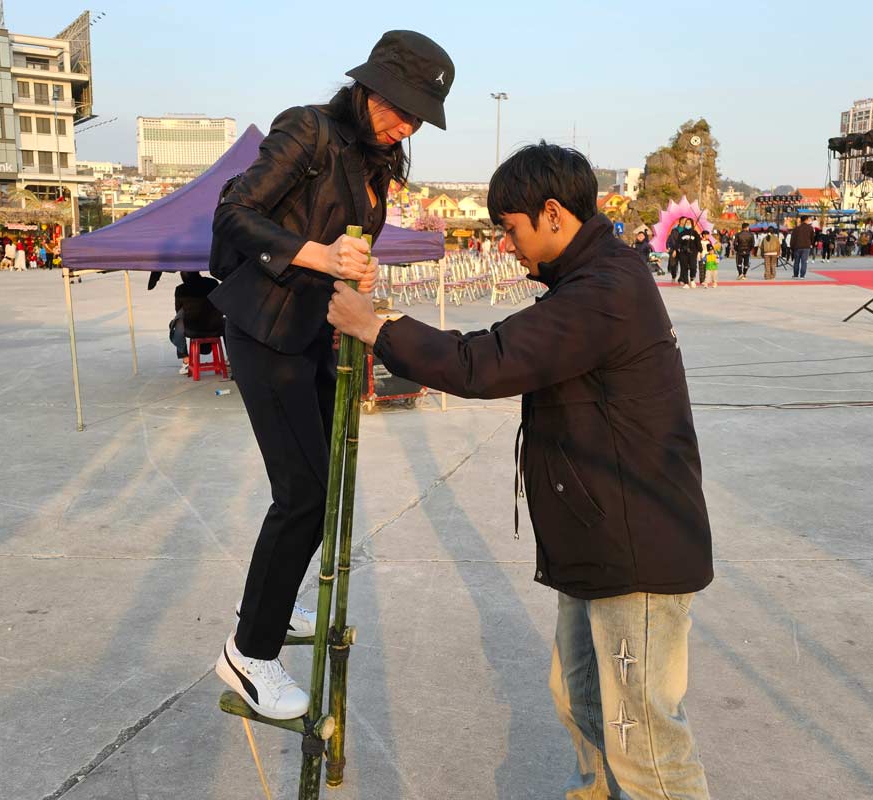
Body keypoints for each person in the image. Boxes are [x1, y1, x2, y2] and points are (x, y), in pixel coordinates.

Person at [326, 141, 713, 800]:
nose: (505, 244)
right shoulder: (590, 282)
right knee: (585, 710)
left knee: (643, 739)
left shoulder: (604, 291)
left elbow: (489, 360)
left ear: (554, 214)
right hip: (601, 544)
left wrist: (378, 329)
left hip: (636, 551)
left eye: (511, 227)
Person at [207, 30, 454, 720]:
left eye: (416, 116)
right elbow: (233, 211)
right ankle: (248, 655)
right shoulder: (308, 130)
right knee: (305, 495)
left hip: (316, 332)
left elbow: (349, 244)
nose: (403, 122)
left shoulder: (378, 160)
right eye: (397, 106)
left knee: (321, 491)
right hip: (265, 329)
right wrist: (316, 256)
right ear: (367, 86)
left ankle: (268, 605)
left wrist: (359, 266)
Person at [675, 218, 702, 288]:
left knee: (693, 266)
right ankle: (686, 282)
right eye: (687, 222)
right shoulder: (681, 233)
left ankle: (692, 279)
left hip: (693, 252)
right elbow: (677, 243)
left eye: (689, 222)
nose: (688, 223)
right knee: (684, 267)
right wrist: (678, 249)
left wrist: (700, 251)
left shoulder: (695, 233)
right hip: (683, 253)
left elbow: (698, 243)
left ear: (692, 223)